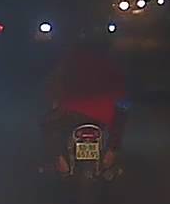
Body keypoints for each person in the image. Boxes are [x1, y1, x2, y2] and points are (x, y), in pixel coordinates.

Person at [42, 31, 129, 176]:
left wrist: (56, 101)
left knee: (48, 124)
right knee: (121, 117)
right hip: (104, 115)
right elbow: (121, 92)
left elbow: (54, 86)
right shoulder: (110, 64)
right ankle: (111, 154)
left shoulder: (69, 63)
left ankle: (60, 160)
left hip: (71, 113)